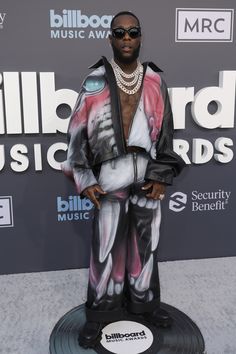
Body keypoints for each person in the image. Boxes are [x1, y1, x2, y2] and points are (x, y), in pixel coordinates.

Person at [62, 11, 185, 349]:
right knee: (105, 249)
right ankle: (100, 314)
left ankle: (144, 303)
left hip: (146, 172)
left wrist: (162, 175)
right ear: (111, 38)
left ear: (141, 36)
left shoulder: (156, 82)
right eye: (120, 33)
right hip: (110, 174)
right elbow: (75, 136)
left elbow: (167, 137)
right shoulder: (95, 81)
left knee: (146, 246)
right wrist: (85, 177)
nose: (127, 38)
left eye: (133, 32)